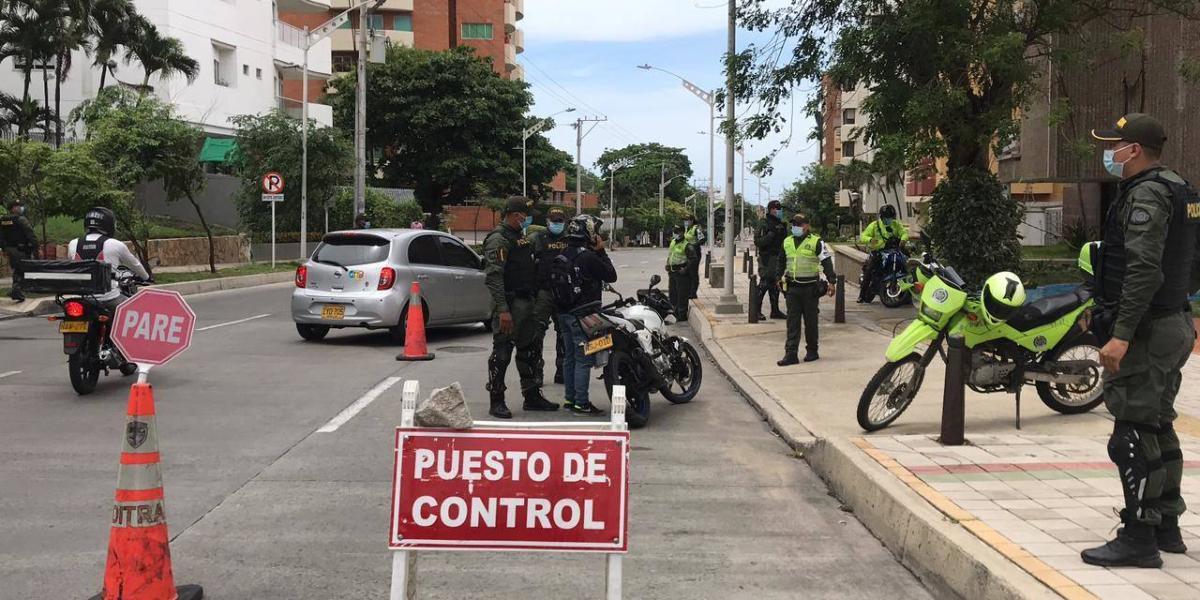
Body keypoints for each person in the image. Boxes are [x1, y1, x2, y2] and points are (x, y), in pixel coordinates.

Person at [1080, 113, 1199, 568]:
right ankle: (1167, 525)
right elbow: (1191, 262)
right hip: (1172, 322)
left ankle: (1139, 535)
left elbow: (1144, 268)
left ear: (1134, 150)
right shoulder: (1182, 189)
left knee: (1130, 432)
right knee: (1158, 425)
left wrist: (1122, 335)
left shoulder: (1147, 193)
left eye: (1115, 145)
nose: (1109, 153)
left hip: (1147, 331)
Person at [481, 197, 560, 419]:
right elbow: (494, 277)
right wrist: (503, 310)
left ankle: (532, 396)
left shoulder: (519, 237)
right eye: (524, 215)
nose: (526, 218)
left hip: (527, 303)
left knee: (530, 350)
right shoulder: (499, 239)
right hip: (510, 305)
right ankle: (496, 400)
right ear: (516, 215)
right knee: (503, 352)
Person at [554, 215, 617, 414]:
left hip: (563, 313)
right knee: (584, 360)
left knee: (570, 358)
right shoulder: (587, 256)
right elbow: (611, 275)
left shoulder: (564, 253)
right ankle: (582, 402)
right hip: (582, 315)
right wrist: (601, 251)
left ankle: (570, 399)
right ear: (589, 232)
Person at [777, 214, 836, 365]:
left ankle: (812, 351)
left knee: (811, 322)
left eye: (799, 224)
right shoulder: (787, 241)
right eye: (794, 224)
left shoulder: (816, 241)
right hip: (792, 288)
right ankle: (791, 354)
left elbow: (826, 261)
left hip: (810, 288)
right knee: (792, 322)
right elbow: (781, 261)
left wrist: (831, 281)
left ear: (807, 226)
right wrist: (778, 278)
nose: (795, 227)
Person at [67, 207, 150, 311]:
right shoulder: (115, 244)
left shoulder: (73, 243)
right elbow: (135, 264)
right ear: (109, 224)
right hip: (109, 298)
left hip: (82, 298)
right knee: (137, 309)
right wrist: (146, 277)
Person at [531, 207, 570, 385]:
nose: (557, 224)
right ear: (547, 221)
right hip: (544, 291)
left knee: (563, 333)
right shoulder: (538, 238)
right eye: (554, 221)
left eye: (560, 221)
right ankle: (536, 371)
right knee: (537, 332)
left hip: (563, 292)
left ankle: (562, 370)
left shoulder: (570, 239)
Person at [857, 204, 909, 304]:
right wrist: (870, 240)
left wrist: (903, 240)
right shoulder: (874, 225)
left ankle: (907, 293)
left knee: (906, 263)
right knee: (869, 270)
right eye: (887, 218)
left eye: (891, 217)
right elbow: (863, 236)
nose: (889, 219)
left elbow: (904, 233)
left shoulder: (896, 224)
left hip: (893, 251)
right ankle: (861, 295)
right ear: (882, 217)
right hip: (878, 252)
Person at [752, 200, 788, 320]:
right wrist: (770, 235)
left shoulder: (781, 224)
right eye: (777, 209)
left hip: (778, 257)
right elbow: (758, 241)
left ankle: (775, 310)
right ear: (771, 209)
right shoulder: (764, 223)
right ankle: (756, 310)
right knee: (765, 283)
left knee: (775, 284)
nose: (779, 211)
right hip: (767, 258)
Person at [1, 199, 38, 302]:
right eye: (18, 206)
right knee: (22, 269)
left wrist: (4, 248)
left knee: (17, 269)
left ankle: (15, 290)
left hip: (10, 249)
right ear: (13, 208)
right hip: (21, 249)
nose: (20, 208)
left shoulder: (3, 220)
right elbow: (30, 233)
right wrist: (35, 245)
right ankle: (17, 290)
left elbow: (1, 236)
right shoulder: (21, 219)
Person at [666, 224, 699, 321]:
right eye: (674, 232)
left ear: (682, 232)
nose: (675, 234)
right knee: (673, 294)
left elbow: (693, 259)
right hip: (672, 272)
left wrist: (685, 269)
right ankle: (675, 313)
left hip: (682, 274)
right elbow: (671, 254)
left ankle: (682, 315)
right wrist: (668, 263)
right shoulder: (673, 242)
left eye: (677, 232)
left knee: (682, 295)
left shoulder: (687, 245)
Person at [683, 216, 704, 299]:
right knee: (687, 273)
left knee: (693, 273)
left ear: (692, 220)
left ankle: (693, 293)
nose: (686, 222)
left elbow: (702, 239)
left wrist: (693, 246)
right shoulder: (687, 229)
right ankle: (688, 291)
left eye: (687, 220)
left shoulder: (696, 229)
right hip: (687, 254)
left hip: (695, 254)